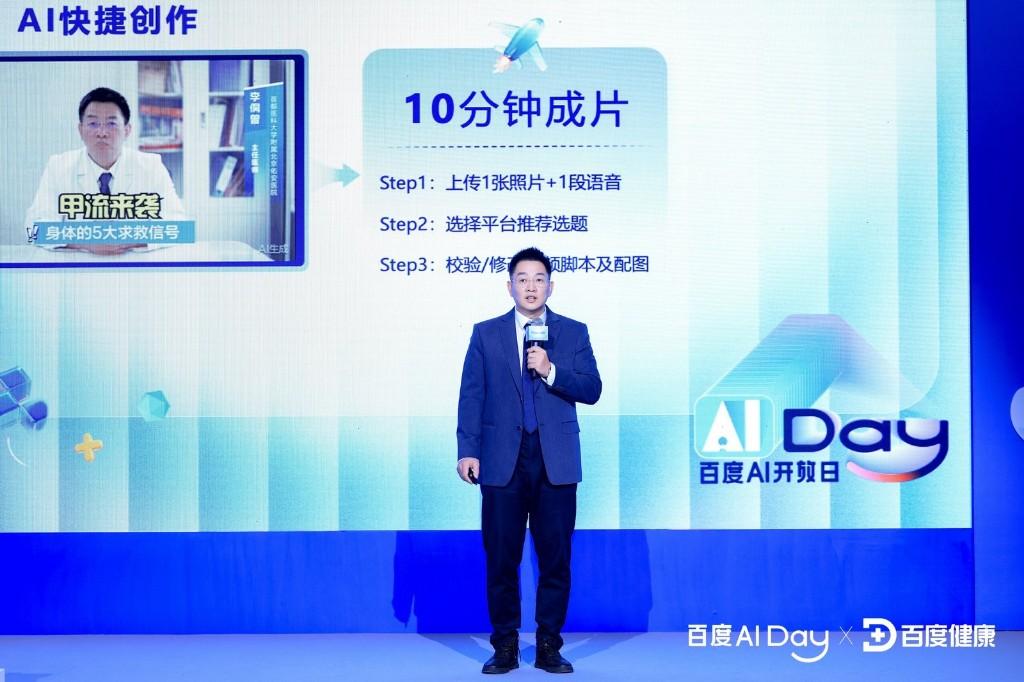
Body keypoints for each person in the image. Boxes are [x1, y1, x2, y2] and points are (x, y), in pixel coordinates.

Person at [457, 247, 602, 674]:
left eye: (539, 279)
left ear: (550, 286)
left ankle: (548, 646)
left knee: (555, 558)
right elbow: (472, 395)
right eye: (523, 279)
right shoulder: (486, 334)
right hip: (501, 460)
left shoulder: (573, 332)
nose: (531, 287)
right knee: (502, 557)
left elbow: (592, 388)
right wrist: (467, 449)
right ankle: (504, 646)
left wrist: (550, 369)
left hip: (555, 460)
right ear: (510, 287)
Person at [23, 87, 187, 255]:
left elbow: (180, 227)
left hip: (133, 263)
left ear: (127, 130)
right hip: (79, 264)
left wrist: (129, 237)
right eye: (93, 124)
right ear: (80, 130)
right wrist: (85, 241)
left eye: (111, 123)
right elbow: (33, 229)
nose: (102, 133)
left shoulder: (151, 166)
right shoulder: (58, 167)